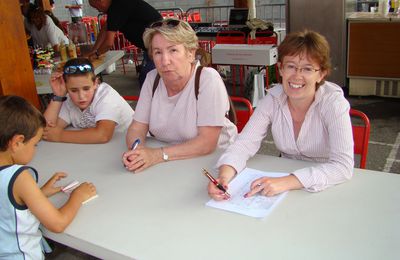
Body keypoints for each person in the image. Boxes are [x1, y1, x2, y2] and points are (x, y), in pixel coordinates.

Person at [208, 30, 354, 200]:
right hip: (285, 184)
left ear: (321, 74)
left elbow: (342, 167)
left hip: (325, 185)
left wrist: (286, 181)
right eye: (290, 66)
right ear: (281, 69)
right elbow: (244, 144)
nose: (297, 76)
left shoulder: (333, 104)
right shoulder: (272, 99)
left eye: (307, 68)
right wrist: (224, 177)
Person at [122, 18, 238, 173]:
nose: (165, 61)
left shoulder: (207, 79)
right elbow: (137, 127)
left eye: (173, 50)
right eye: (157, 52)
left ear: (190, 53)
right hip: (169, 161)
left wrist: (156, 155)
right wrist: (137, 151)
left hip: (214, 164)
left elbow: (207, 143)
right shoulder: (152, 79)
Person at [0, 95, 96, 259]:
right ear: (17, 142)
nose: (35, 150)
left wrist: (39, 193)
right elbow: (57, 224)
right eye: (34, 144)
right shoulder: (19, 177)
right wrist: (77, 196)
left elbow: (6, 205)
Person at [43, 58, 134, 144]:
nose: (81, 96)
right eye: (74, 90)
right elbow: (46, 129)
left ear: (96, 83)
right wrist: (58, 96)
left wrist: (59, 135)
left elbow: (103, 135)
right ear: (66, 87)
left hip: (132, 145)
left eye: (86, 89)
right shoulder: (68, 98)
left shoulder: (106, 96)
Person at [87, 0, 162, 86]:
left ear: (100, 1)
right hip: (150, 47)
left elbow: (108, 43)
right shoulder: (116, 6)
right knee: (148, 79)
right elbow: (105, 29)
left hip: (158, 46)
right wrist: (94, 50)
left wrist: (96, 54)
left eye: (96, 7)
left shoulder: (117, 6)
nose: (98, 10)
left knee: (147, 79)